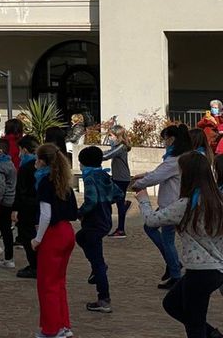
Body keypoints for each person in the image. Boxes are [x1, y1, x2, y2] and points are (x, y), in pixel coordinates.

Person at [138, 151, 223, 338]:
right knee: (172, 304)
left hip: (200, 271)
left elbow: (152, 220)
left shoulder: (186, 204)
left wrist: (143, 199)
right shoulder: (218, 201)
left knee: (194, 324)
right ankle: (212, 334)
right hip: (215, 270)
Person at [132, 123, 191, 289]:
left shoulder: (173, 160)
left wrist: (138, 185)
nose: (164, 143)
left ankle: (174, 270)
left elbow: (157, 176)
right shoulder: (183, 157)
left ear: (171, 139)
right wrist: (144, 175)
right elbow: (159, 172)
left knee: (166, 240)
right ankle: (173, 264)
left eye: (165, 139)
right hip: (173, 203)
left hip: (171, 205)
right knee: (152, 230)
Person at [33, 143, 79, 338]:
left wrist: (37, 239)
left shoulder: (46, 182)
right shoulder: (64, 182)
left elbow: (46, 214)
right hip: (67, 231)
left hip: (53, 234)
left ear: (42, 161)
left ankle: (51, 328)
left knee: (47, 284)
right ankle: (63, 324)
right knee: (59, 282)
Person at [76, 145, 123, 314]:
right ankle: (98, 269)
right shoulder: (104, 175)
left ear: (83, 163)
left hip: (94, 221)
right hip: (105, 219)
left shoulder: (89, 177)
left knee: (97, 260)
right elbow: (118, 194)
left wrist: (80, 212)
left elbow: (91, 200)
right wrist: (107, 200)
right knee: (80, 237)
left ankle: (104, 298)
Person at [13, 135, 41, 280]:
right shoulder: (44, 165)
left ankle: (34, 266)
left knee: (27, 237)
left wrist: (16, 209)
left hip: (28, 208)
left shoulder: (26, 167)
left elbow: (21, 191)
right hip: (40, 206)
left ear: (24, 150)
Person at [0, 137, 17, 270]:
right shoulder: (10, 163)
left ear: (0, 151)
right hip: (9, 201)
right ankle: (9, 257)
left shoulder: (0, 166)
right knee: (6, 231)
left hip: (2, 202)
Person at [102, 124, 132, 238]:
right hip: (118, 177)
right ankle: (120, 228)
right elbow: (108, 152)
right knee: (118, 202)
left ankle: (119, 229)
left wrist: (93, 156)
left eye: (111, 135)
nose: (109, 138)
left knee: (108, 201)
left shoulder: (121, 147)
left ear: (118, 136)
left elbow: (108, 155)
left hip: (121, 179)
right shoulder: (118, 146)